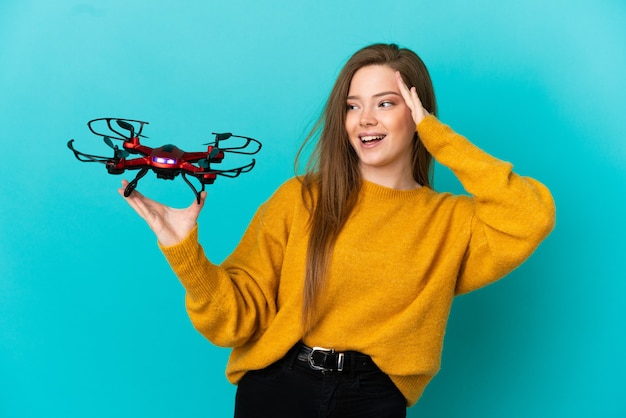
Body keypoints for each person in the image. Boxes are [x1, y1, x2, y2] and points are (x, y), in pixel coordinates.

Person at [119, 43, 555, 417]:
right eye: (352, 105)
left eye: (385, 103)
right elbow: (235, 321)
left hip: (375, 399)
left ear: (417, 112)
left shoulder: (450, 222)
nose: (364, 119)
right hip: (277, 389)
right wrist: (183, 250)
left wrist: (437, 136)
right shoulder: (301, 199)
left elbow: (530, 215)